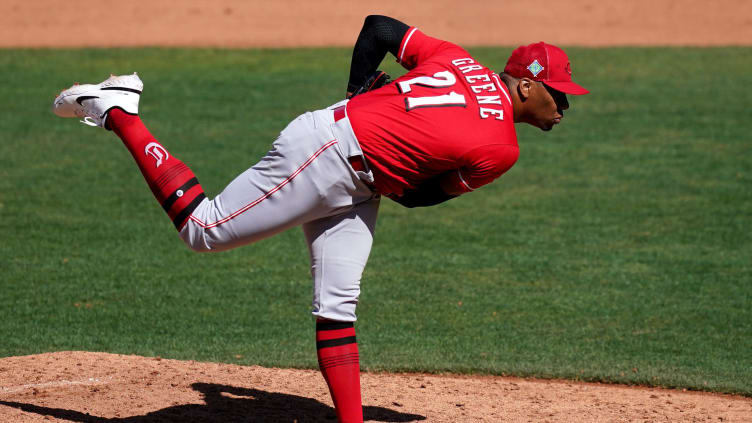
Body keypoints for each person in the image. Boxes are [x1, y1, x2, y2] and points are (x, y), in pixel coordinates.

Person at [53, 15, 588, 423]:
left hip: (358, 178)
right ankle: (118, 109)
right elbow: (422, 198)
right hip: (326, 153)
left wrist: (361, 91)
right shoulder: (501, 148)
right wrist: (381, 136)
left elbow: (378, 27)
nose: (563, 107)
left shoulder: (457, 57)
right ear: (525, 85)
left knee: (337, 305)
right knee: (203, 229)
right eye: (558, 95)